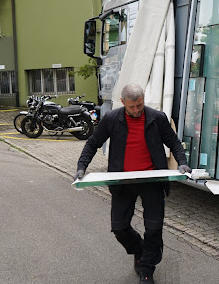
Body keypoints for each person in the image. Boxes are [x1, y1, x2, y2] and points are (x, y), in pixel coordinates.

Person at [75, 84, 191, 284]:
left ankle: (146, 268)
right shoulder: (112, 119)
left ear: (143, 99)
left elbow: (173, 142)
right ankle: (139, 249)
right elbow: (93, 143)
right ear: (123, 103)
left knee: (154, 228)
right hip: (123, 181)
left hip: (152, 180)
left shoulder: (157, 118)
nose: (137, 110)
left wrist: (182, 163)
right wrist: (81, 167)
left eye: (140, 105)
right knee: (119, 227)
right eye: (132, 107)